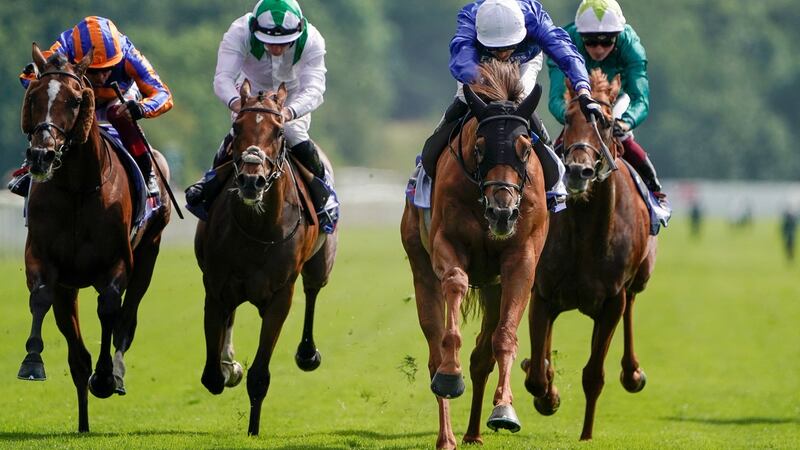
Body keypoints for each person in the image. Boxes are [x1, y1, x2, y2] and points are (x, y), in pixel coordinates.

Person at [419, 0, 604, 208]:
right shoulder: (471, 16)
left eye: (508, 46)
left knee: (521, 103)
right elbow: (461, 56)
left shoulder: (534, 17)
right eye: (495, 48)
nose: (502, 54)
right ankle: (423, 170)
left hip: (524, 63)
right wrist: (486, 83)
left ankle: (554, 179)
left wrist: (583, 91)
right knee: (463, 99)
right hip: (479, 67)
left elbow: (565, 53)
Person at [185, 0, 338, 232]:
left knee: (294, 133)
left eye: (284, 43)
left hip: (291, 98)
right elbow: (223, 78)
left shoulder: (312, 39)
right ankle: (208, 185)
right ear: (256, 30)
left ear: (297, 32)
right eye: (270, 43)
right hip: (249, 95)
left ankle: (324, 195)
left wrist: (287, 111)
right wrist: (240, 105)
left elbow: (314, 89)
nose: (276, 48)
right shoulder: (239, 32)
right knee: (241, 134)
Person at [9, 16, 173, 197]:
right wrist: (37, 74)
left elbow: (163, 94)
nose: (102, 77)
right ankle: (35, 161)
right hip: (79, 95)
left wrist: (141, 108)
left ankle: (145, 169)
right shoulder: (66, 46)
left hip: (118, 96)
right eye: (94, 71)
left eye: (109, 68)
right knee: (53, 104)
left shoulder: (130, 55)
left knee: (117, 114)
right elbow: (32, 75)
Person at [548, 0, 667, 205]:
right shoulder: (564, 42)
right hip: (578, 99)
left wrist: (624, 123)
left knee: (623, 136)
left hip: (616, 99)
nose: (599, 49)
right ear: (580, 35)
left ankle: (655, 193)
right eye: (591, 42)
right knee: (569, 136)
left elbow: (640, 99)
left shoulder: (631, 46)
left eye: (607, 41)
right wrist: (571, 117)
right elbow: (556, 99)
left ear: (618, 36)